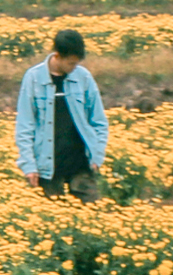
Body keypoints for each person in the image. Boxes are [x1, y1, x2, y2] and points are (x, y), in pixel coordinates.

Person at [15, 28, 109, 200]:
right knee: (50, 221)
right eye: (71, 63)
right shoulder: (34, 78)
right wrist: (29, 165)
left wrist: (97, 155)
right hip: (48, 166)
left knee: (92, 216)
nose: (74, 68)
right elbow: (25, 125)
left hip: (81, 164)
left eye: (77, 63)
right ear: (57, 56)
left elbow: (99, 121)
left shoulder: (84, 78)